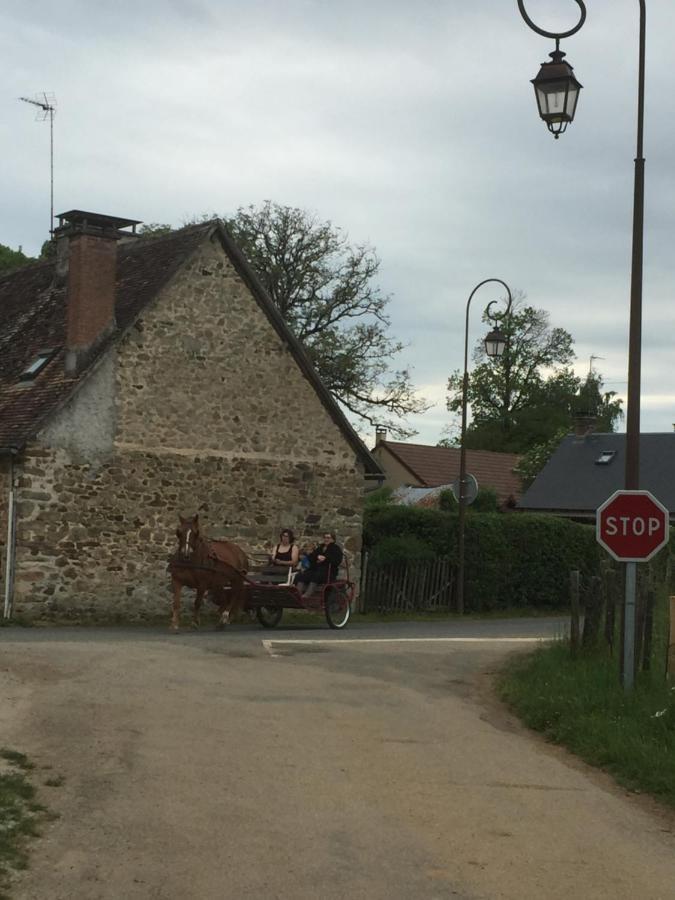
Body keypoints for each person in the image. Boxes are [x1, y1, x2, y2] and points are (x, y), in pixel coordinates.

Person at [295, 531, 343, 598]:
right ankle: (298, 594)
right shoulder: (320, 548)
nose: (326, 539)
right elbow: (311, 556)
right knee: (301, 575)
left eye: (328, 538)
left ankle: (307, 595)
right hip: (316, 569)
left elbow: (337, 561)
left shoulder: (336, 549)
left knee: (317, 575)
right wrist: (317, 557)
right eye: (325, 537)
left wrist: (325, 559)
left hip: (328, 572)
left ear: (333, 539)